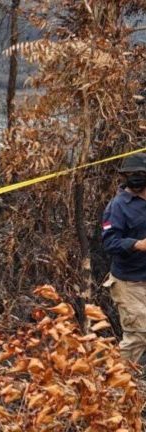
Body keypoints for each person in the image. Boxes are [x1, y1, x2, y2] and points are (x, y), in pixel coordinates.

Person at [102, 153, 146, 363]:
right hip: (129, 282)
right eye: (129, 175)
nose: (134, 178)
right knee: (139, 335)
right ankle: (118, 386)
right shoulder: (118, 206)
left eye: (139, 174)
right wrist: (137, 244)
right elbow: (109, 242)